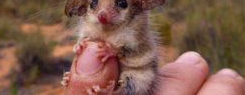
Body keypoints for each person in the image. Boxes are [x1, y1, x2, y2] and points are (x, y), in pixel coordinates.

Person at [68, 51, 245, 95]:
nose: (103, 15)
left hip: (135, 78)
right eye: (93, 4)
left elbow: (138, 54)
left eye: (121, 3)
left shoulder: (135, 28)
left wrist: (115, 51)